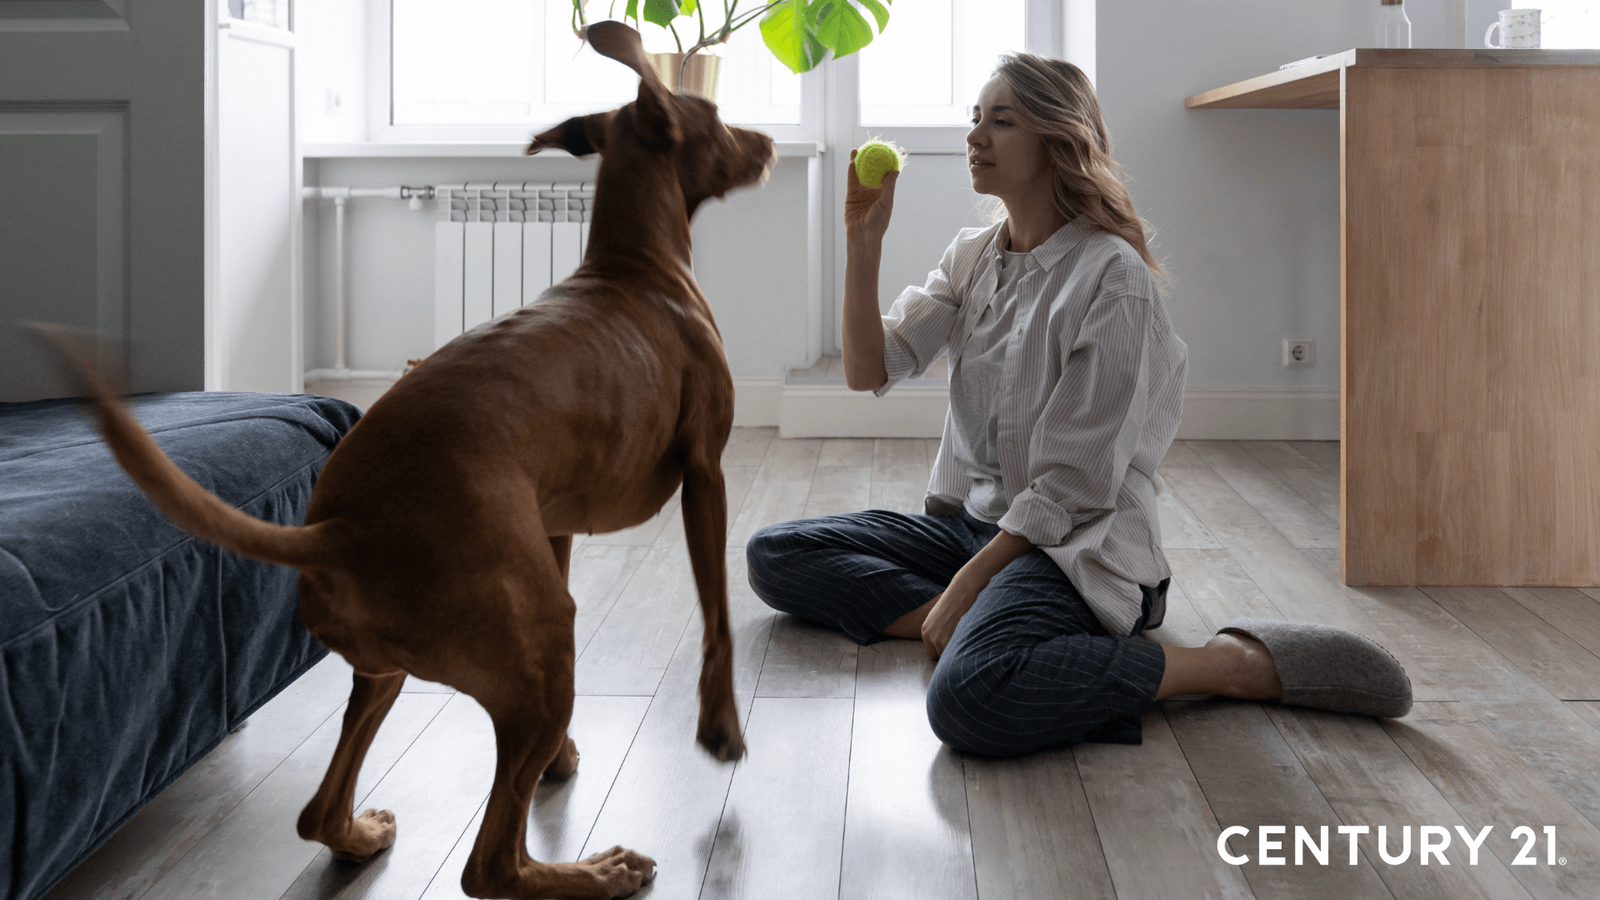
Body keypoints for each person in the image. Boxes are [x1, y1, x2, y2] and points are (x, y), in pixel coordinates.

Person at [744, 52, 1411, 757]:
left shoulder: (1113, 279)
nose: (976, 137)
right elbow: (865, 370)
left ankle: (1229, 666)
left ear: (1060, 142)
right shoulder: (973, 255)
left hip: (1072, 546)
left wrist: (974, 580)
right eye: (975, 119)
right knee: (775, 556)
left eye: (1001, 122)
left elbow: (1074, 485)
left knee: (969, 697)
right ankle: (969, 617)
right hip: (978, 528)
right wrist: (862, 242)